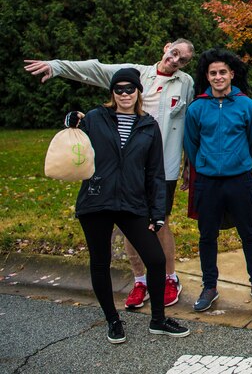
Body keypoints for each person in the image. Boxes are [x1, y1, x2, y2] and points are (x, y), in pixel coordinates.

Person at [24, 40, 195, 309]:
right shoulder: (135, 73)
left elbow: (186, 122)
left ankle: (169, 278)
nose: (175, 61)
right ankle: (140, 281)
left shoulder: (186, 82)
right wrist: (56, 66)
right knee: (128, 223)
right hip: (127, 166)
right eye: (174, 53)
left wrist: (188, 162)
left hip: (165, 167)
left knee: (161, 223)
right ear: (165, 47)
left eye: (182, 60)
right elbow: (94, 69)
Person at [65, 68, 190, 343]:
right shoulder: (96, 118)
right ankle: (113, 320)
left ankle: (158, 320)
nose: (124, 94)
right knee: (100, 262)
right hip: (97, 200)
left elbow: (155, 173)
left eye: (129, 89)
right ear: (112, 92)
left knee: (156, 260)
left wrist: (157, 212)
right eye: (118, 89)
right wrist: (71, 120)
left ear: (138, 92)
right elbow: (74, 137)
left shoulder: (148, 125)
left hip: (132, 202)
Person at [183, 48, 252, 312]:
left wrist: (242, 165)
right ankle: (209, 286)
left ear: (231, 74)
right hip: (208, 182)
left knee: (249, 233)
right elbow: (192, 143)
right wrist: (206, 165)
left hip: (239, 180)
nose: (218, 77)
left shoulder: (247, 105)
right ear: (207, 77)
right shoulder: (197, 107)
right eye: (213, 73)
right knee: (207, 235)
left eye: (223, 72)